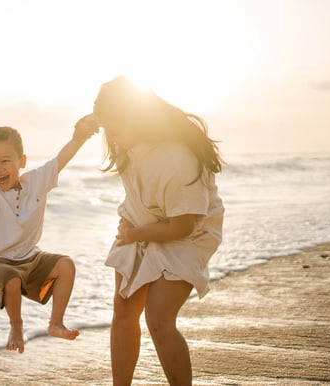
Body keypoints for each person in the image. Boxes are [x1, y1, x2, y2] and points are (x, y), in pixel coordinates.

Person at [84, 76, 224, 386]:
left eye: (115, 130)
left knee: (158, 319)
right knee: (123, 310)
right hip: (140, 224)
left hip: (187, 234)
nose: (112, 139)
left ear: (138, 120)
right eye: (108, 130)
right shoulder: (126, 138)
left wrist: (135, 234)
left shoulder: (176, 159)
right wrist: (91, 123)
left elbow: (182, 226)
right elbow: (109, 118)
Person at [0, 89, 98, 354]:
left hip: (31, 257)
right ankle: (16, 326)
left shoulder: (36, 182)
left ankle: (56, 323)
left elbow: (61, 159)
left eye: (5, 161)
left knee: (66, 265)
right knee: (12, 281)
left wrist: (80, 136)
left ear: (22, 161)